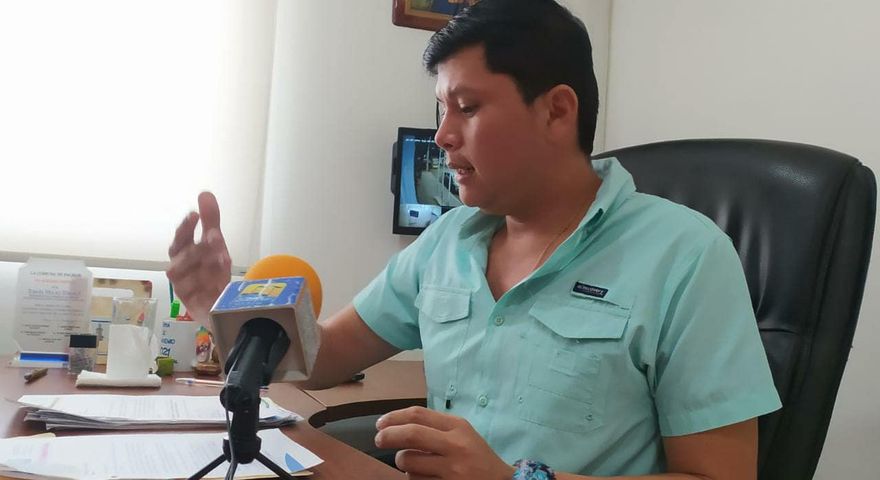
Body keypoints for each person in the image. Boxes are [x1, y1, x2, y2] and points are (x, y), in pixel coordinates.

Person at [167, 1, 781, 478]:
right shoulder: (449, 241)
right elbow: (323, 358)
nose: (442, 136)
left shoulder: (685, 256)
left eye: (467, 107)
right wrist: (222, 304)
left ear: (557, 111)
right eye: (442, 109)